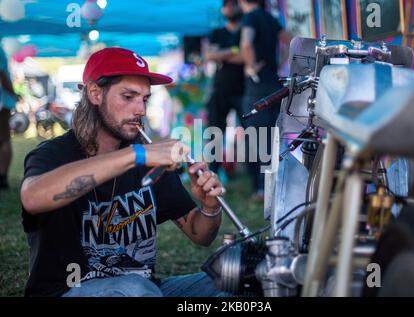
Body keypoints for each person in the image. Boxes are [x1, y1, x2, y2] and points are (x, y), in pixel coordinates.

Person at [20, 47, 225, 297]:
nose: (140, 109)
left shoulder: (149, 161)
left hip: (147, 290)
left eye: (145, 99)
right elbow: (33, 198)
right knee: (134, 288)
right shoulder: (54, 154)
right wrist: (135, 155)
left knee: (235, 279)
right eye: (129, 97)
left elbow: (200, 234)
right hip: (68, 290)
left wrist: (210, 206)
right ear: (95, 93)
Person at [239, 0, 292, 200]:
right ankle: (274, 186)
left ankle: (263, 189)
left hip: (257, 87)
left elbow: (246, 43)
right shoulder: (271, 17)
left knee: (256, 139)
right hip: (274, 85)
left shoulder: (250, 17)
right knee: (273, 139)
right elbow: (290, 40)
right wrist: (280, 63)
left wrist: (251, 67)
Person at [204, 0, 245, 178]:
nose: (229, 8)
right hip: (220, 89)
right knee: (215, 133)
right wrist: (234, 51)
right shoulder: (217, 33)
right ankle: (213, 174)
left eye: (233, 4)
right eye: (226, 5)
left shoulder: (247, 30)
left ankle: (256, 182)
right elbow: (210, 55)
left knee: (253, 134)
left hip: (244, 89)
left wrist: (223, 55)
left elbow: (247, 57)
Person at [0, 44, 18, 191]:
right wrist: (14, 93)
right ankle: (2, 178)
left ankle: (2, 178)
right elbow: (2, 75)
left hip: (2, 102)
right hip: (3, 101)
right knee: (4, 139)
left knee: (4, 139)